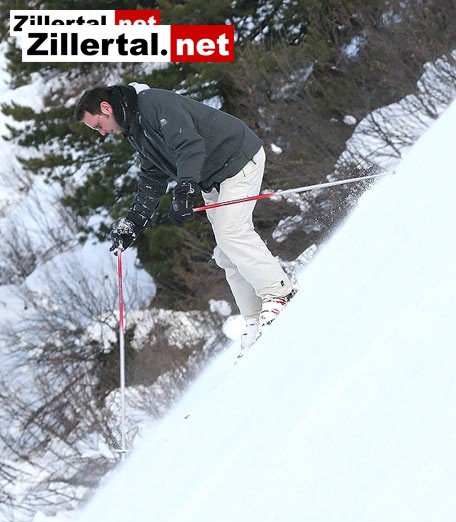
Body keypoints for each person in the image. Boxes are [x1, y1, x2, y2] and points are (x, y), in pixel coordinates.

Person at [75, 83, 296, 351]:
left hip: (237, 159)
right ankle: (254, 317)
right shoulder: (134, 127)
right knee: (225, 251)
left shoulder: (153, 104)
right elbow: (152, 176)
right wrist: (134, 221)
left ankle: (278, 292)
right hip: (213, 178)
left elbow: (189, 145)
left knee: (232, 233)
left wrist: (186, 188)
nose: (101, 133)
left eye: (98, 125)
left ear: (106, 107)